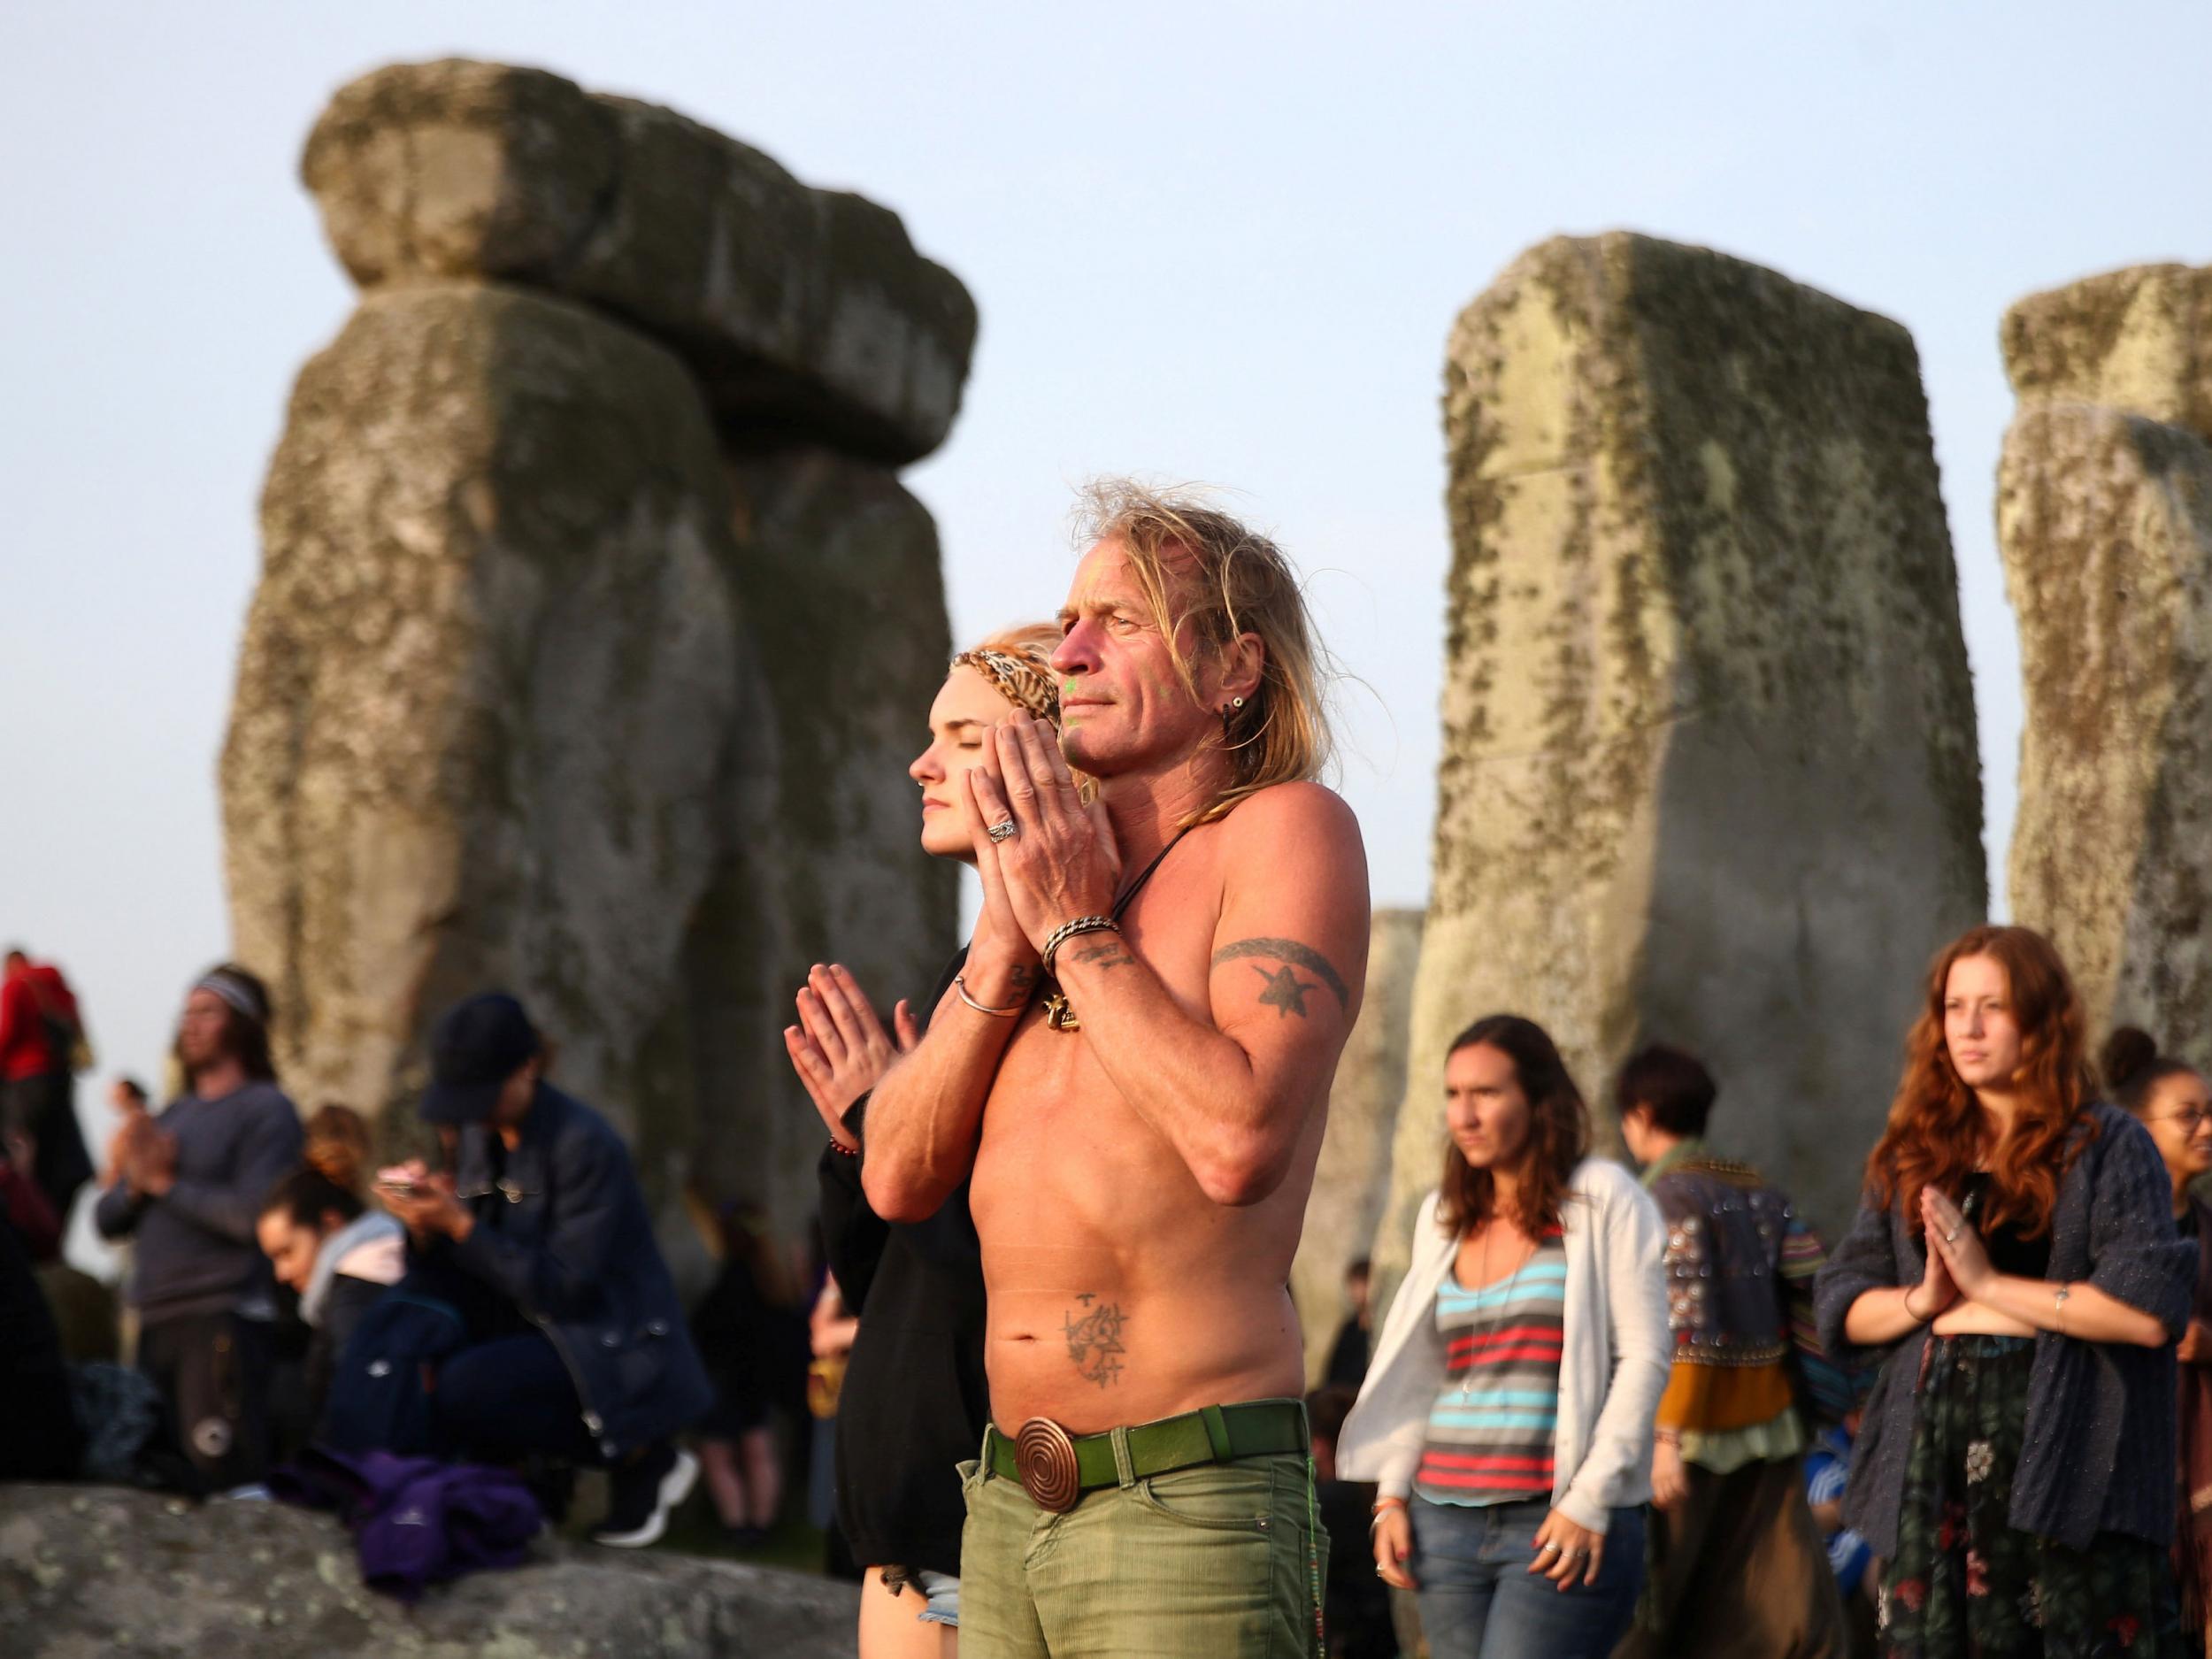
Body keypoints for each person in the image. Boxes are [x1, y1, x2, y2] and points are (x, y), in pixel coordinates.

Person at [862, 483, 1371, 1657]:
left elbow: (1238, 1142)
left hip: (1185, 1503)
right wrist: (1008, 940)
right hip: (1002, 1502)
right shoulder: (1047, 880)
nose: (1072, 653)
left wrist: (1075, 931)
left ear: (1235, 666)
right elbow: (895, 1176)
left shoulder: (1281, 830)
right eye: (1069, 621)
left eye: (1120, 621)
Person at [787, 622, 1064, 1655]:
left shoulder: (1069, 982)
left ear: (1049, 761)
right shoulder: (967, 982)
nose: (921, 764)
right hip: (902, 1516)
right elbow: (878, 1279)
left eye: (962, 737)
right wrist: (856, 1143)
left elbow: (1013, 1260)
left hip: (984, 1506)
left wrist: (883, 1122)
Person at [1815, 925, 2195, 1658]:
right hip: (1935, 1476)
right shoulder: (1914, 1148)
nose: (1970, 1027)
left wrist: (1988, 1285)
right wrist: (1924, 1301)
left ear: (2042, 1019)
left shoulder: (2107, 1143)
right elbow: (1843, 1300)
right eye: (1955, 1007)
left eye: (1993, 1006)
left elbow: (2147, 1312)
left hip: (2074, 1475)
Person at [1338, 1015, 1669, 1659]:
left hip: (1554, 1520)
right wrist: (1391, 1498)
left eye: (1486, 1093)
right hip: (1440, 1523)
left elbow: (1646, 1355)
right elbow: (1422, 1372)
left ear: (1540, 1100)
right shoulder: (1443, 1214)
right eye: (1453, 1094)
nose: (1464, 1115)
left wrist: (1589, 1499)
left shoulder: (1601, 1197)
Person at [375, 990, 713, 1548]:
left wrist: (460, 1225)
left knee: (469, 1386)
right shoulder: (478, 1138)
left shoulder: (584, 1145)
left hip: (608, 1345)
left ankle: (645, 1455)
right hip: (529, 1329)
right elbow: (463, 1274)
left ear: (528, 1067)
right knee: (409, 1354)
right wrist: (423, 1225)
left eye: (482, 1094)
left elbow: (565, 1289)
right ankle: (513, 1495)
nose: (472, 1112)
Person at [1612, 1041, 1848, 1659]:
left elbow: (1682, 1322)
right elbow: (1815, 1286)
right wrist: (1825, 1392)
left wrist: (1665, 1438)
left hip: (1688, 1440)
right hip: (1771, 1425)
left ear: (1640, 1114)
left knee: (1654, 1611)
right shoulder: (1758, 1188)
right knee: (1784, 1609)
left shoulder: (1663, 1199)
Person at [92, 964, 303, 1490]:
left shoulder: (266, 1110)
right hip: (153, 1321)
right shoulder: (171, 1118)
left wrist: (165, 1185)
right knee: (154, 1483)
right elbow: (105, 1220)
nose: (190, 1024)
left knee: (227, 1482)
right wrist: (136, 1187)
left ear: (244, 1024)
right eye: (187, 1012)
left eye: (208, 1012)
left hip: (222, 1320)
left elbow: (256, 1218)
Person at [2101, 1026, 2212, 1649]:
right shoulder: (2101, 1234)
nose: (2208, 1128)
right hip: (2122, 1471)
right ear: (2138, 1130)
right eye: (2188, 1115)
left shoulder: (2208, 1230)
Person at [255, 1126, 404, 1424]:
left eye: (287, 1252)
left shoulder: (354, 1297)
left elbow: (363, 1402)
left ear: (330, 1224)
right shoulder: (385, 1269)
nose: (281, 1273)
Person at [688, 1200, 804, 1548]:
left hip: (725, 1378)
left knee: (718, 1454)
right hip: (758, 1381)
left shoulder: (732, 1281)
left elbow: (709, 1329)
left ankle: (738, 1527)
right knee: (758, 1451)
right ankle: (759, 1527)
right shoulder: (774, 1281)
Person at [0, 947, 93, 1218]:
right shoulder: (61, 990)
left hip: (25, 1079)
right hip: (60, 1080)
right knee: (53, 1159)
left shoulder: (16, 985)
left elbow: (6, 1032)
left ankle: (24, 1218)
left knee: (21, 1154)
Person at [1324, 1257, 1375, 1389]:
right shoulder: (1350, 1328)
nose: (1357, 1292)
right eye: (1354, 1285)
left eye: (1362, 1284)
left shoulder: (1380, 1327)